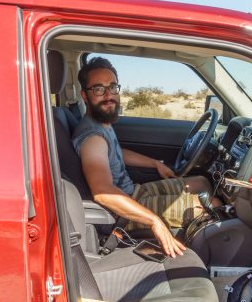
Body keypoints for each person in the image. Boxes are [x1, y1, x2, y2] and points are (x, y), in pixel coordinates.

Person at [72, 57, 220, 257]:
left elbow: (116, 153)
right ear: (84, 95)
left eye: (113, 87)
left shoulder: (100, 123)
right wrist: (154, 221)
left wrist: (154, 164)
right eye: (99, 89)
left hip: (133, 192)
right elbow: (102, 191)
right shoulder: (92, 137)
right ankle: (213, 257)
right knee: (214, 206)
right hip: (121, 214)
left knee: (201, 182)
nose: (109, 95)